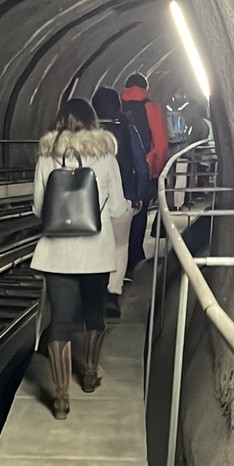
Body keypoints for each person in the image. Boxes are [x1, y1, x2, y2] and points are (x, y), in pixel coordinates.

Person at [31, 98, 128, 420]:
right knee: (93, 311)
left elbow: (38, 208)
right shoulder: (105, 154)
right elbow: (115, 209)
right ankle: (89, 373)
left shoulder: (47, 155)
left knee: (59, 322)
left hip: (56, 253)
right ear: (93, 122)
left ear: (60, 120)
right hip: (94, 252)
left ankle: (60, 399)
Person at [92, 86, 146, 318]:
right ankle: (113, 293)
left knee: (95, 245)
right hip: (123, 197)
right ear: (118, 107)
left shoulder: (87, 133)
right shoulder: (127, 130)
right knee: (120, 245)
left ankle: (93, 291)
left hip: (91, 201)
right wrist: (139, 194)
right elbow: (141, 165)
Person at [120, 73, 170, 276]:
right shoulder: (152, 108)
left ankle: (117, 259)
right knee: (139, 213)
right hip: (144, 169)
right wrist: (156, 170)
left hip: (117, 170)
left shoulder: (117, 105)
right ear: (145, 87)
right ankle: (134, 257)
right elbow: (160, 142)